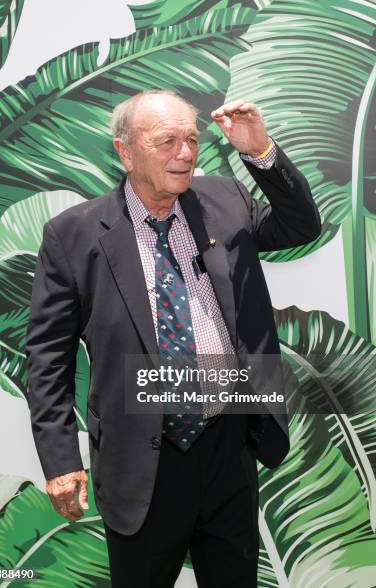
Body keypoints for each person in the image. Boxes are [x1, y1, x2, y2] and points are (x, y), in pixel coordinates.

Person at [26, 89, 321, 587]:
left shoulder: (225, 200)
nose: (185, 154)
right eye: (166, 141)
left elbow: (300, 226)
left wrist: (260, 152)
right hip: (142, 454)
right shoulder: (72, 235)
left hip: (229, 444)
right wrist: (60, 462)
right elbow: (49, 359)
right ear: (125, 151)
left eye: (191, 139)